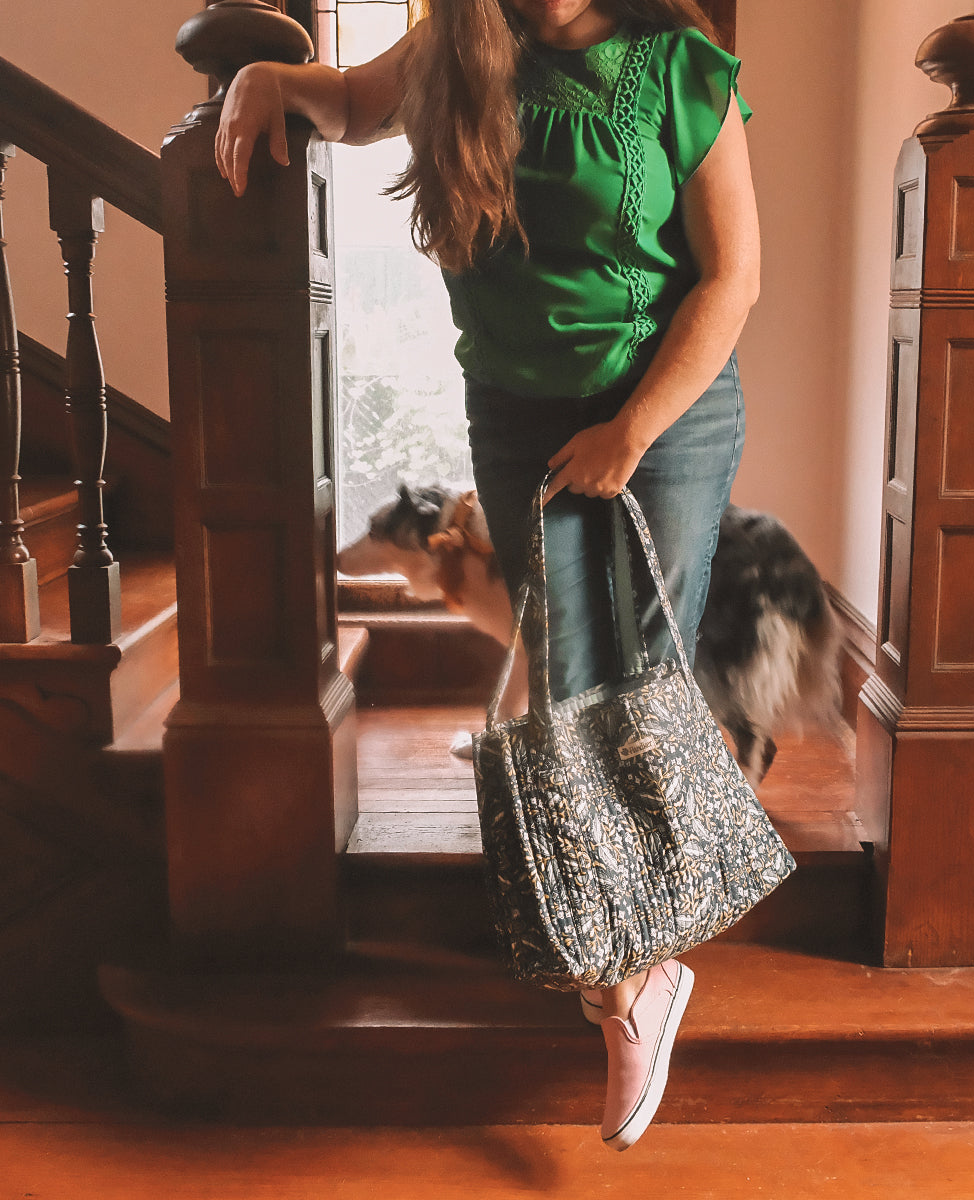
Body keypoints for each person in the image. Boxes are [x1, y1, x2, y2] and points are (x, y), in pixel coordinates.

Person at [216, 0, 760, 1151]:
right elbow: (357, 105)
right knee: (562, 695)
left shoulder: (678, 66)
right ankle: (633, 988)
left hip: (666, 414)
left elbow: (734, 279)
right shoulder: (453, 48)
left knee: (638, 694)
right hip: (516, 416)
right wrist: (269, 80)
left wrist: (631, 431)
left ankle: (626, 980)